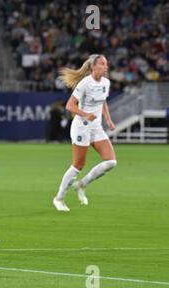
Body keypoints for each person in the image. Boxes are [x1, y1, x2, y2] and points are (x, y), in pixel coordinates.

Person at [53, 54, 117, 211]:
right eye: (102, 64)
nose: (106, 67)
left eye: (106, 64)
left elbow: (103, 102)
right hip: (81, 126)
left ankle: (82, 185)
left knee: (111, 162)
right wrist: (85, 114)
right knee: (78, 165)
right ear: (93, 67)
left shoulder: (106, 83)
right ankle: (59, 198)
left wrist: (108, 119)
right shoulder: (84, 84)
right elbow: (70, 105)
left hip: (96, 127)